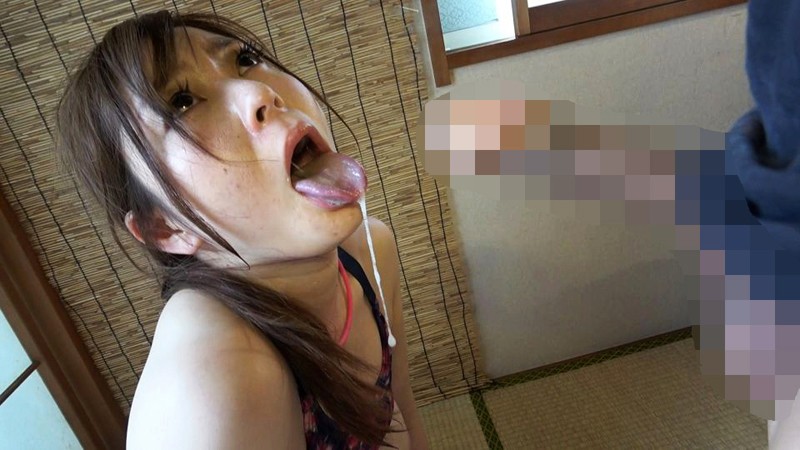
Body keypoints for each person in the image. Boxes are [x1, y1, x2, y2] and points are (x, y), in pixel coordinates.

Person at [55, 10, 428, 449]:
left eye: (245, 59)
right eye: (182, 102)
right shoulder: (211, 386)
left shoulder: (370, 248)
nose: (259, 91)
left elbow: (399, 404)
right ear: (165, 227)